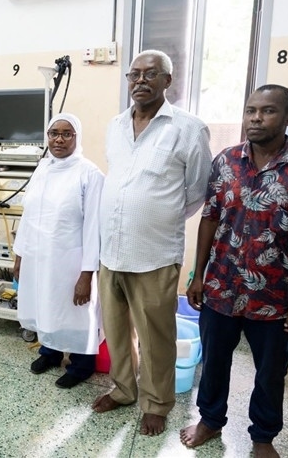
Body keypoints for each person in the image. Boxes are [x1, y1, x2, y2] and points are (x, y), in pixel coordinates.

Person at [180, 85, 288, 457]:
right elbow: (210, 218)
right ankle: (210, 420)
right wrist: (198, 274)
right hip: (221, 286)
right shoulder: (226, 161)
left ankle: (263, 436)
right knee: (214, 362)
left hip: (275, 295)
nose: (256, 118)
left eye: (267, 111)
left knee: (271, 372)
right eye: (250, 111)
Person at [93, 49, 213, 436]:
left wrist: (156, 216)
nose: (140, 80)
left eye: (150, 73)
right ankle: (124, 389)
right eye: (134, 74)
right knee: (116, 332)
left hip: (155, 254)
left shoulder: (188, 128)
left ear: (168, 81)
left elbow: (197, 191)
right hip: (111, 250)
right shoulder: (115, 125)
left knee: (156, 336)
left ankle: (157, 403)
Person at [13, 113, 104, 389]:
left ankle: (81, 365)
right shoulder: (43, 168)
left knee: (75, 313)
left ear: (77, 137)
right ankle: (50, 352)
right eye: (54, 133)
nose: (59, 139)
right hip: (39, 258)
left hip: (71, 261)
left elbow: (94, 228)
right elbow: (28, 216)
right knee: (46, 304)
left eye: (67, 134)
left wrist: (86, 275)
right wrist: (20, 256)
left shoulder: (90, 174)